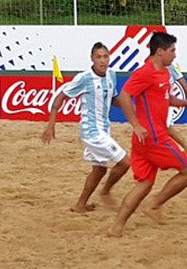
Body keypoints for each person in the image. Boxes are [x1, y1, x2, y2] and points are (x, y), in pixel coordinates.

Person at [108, 32, 187, 237]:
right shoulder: (145, 72)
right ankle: (154, 205)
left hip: (146, 139)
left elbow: (165, 98)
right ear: (159, 52)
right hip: (153, 138)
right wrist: (135, 124)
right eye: (172, 51)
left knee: (144, 183)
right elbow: (125, 95)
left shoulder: (164, 72)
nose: (175, 55)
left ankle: (117, 227)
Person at [41, 42, 130, 212]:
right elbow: (60, 97)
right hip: (91, 131)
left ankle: (80, 205)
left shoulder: (112, 74)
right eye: (99, 57)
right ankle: (105, 192)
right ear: (92, 59)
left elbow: (113, 99)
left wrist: (130, 104)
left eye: (105, 56)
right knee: (125, 162)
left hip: (104, 128)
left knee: (99, 170)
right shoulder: (84, 78)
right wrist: (51, 124)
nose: (103, 61)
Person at [166, 63, 187, 158]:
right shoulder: (152, 63)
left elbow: (181, 79)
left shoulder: (169, 65)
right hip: (159, 101)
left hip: (166, 101)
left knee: (166, 128)